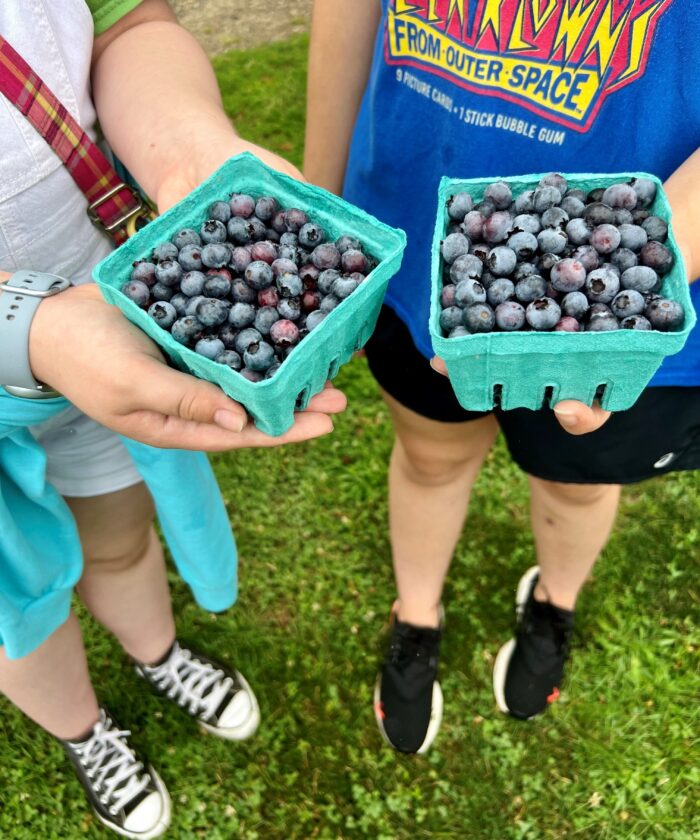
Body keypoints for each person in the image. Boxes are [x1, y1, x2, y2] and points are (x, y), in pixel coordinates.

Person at [304, 0, 700, 754]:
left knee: (576, 480)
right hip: (414, 212)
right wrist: (326, 216)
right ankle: (416, 613)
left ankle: (555, 602)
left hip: (643, 277)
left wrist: (615, 289)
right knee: (429, 455)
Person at [0, 1, 345, 836]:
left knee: (120, 534)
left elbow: (124, 25)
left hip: (109, 328)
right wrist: (30, 332)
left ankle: (156, 655)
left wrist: (193, 147)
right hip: (60, 338)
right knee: (13, 604)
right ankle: (83, 729)